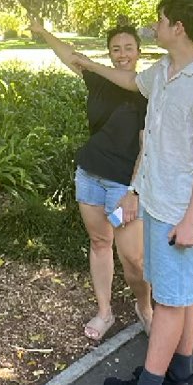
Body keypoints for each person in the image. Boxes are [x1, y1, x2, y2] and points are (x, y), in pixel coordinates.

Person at [71, 0, 193, 385]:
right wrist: (86, 63)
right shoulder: (162, 72)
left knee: (172, 302)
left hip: (180, 213)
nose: (152, 28)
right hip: (157, 204)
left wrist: (192, 220)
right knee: (181, 295)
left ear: (178, 27)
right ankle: (182, 376)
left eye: (159, 21)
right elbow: (124, 82)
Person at [29, 18, 152, 341]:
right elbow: (71, 56)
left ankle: (145, 307)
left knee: (134, 259)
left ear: (139, 51)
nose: (122, 54)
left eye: (128, 48)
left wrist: (135, 189)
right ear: (109, 53)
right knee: (100, 243)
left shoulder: (148, 88)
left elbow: (147, 146)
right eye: (116, 49)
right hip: (90, 174)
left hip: (124, 185)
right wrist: (43, 33)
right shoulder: (99, 81)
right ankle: (104, 311)